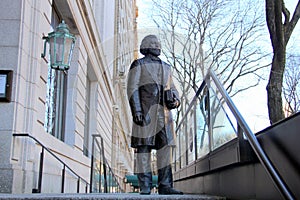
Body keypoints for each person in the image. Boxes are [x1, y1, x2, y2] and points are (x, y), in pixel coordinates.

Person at [127, 35, 183, 195]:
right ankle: (145, 185)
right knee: (143, 150)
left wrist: (175, 101)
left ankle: (165, 185)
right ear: (145, 46)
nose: (157, 45)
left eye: (158, 43)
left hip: (164, 116)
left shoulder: (167, 67)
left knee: (165, 150)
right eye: (153, 43)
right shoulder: (139, 64)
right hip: (145, 113)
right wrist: (137, 110)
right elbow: (132, 88)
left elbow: (173, 89)